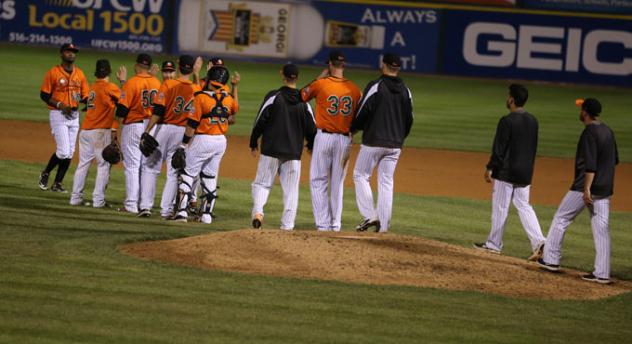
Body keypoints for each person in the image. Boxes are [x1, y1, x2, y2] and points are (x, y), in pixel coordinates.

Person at [538, 98, 619, 284]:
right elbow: (614, 160)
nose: (580, 111)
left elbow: (590, 165)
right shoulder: (608, 130)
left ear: (586, 112)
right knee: (602, 229)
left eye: (582, 108)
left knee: (561, 218)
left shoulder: (590, 132)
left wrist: (587, 189)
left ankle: (551, 259)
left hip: (585, 187)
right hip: (605, 189)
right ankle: (602, 273)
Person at [473, 84, 546, 261]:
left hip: (507, 172)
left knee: (500, 206)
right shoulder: (533, 121)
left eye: (508, 96)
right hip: (526, 172)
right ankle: (540, 242)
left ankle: (493, 244)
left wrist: (490, 168)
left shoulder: (507, 121)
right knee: (524, 206)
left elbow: (499, 149)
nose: (507, 98)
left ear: (512, 99)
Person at [351, 53, 413, 233]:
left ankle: (370, 215)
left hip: (373, 141)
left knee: (360, 175)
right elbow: (409, 120)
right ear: (398, 68)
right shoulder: (406, 90)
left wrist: (355, 128)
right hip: (395, 144)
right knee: (386, 182)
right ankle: (383, 227)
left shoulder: (376, 86)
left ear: (383, 64)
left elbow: (362, 111)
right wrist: (400, 138)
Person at [250, 63, 317, 230]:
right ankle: (287, 225)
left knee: (262, 184)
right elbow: (312, 128)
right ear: (297, 78)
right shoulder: (305, 103)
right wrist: (311, 144)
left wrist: (253, 141)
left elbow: (260, 121)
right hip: (293, 153)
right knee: (291, 190)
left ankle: (258, 212)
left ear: (283, 75)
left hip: (271, 150)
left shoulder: (274, 96)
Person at [300, 51, 361, 231]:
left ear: (329, 64)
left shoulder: (321, 84)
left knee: (318, 180)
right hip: (344, 140)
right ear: (343, 65)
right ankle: (336, 224)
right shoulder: (355, 89)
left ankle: (323, 224)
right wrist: (352, 131)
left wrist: (319, 76)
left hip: (324, 138)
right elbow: (363, 114)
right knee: (337, 182)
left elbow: (301, 96)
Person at [171, 65, 237, 223]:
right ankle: (206, 215)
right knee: (209, 176)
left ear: (209, 79)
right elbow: (234, 112)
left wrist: (183, 145)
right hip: (220, 141)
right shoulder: (228, 98)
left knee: (187, 174)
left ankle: (181, 212)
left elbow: (192, 124)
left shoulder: (201, 97)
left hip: (203, 139)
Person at [138, 55, 201, 218]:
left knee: (150, 167)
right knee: (174, 172)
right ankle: (166, 210)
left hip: (163, 129)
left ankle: (145, 207)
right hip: (182, 132)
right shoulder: (196, 89)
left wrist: (147, 131)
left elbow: (158, 111)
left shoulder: (168, 84)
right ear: (192, 68)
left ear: (178, 66)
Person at [69, 59, 124, 208]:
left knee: (83, 165)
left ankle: (75, 198)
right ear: (109, 72)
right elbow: (125, 99)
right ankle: (98, 201)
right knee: (104, 164)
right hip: (100, 132)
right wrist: (123, 82)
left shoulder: (92, 88)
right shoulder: (110, 87)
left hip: (85, 131)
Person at [38, 43, 89, 192]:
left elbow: (85, 96)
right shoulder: (53, 72)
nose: (71, 54)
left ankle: (57, 184)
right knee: (63, 151)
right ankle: (46, 173)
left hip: (74, 116)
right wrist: (61, 105)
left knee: (70, 152)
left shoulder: (79, 74)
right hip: (58, 115)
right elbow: (44, 94)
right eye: (68, 51)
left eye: (73, 52)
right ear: (61, 54)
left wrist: (90, 104)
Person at [114, 53, 161, 213]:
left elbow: (122, 109)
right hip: (152, 127)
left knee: (132, 167)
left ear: (137, 65)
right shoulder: (156, 81)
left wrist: (116, 128)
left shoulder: (131, 82)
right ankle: (145, 204)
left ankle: (131, 204)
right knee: (147, 166)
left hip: (134, 126)